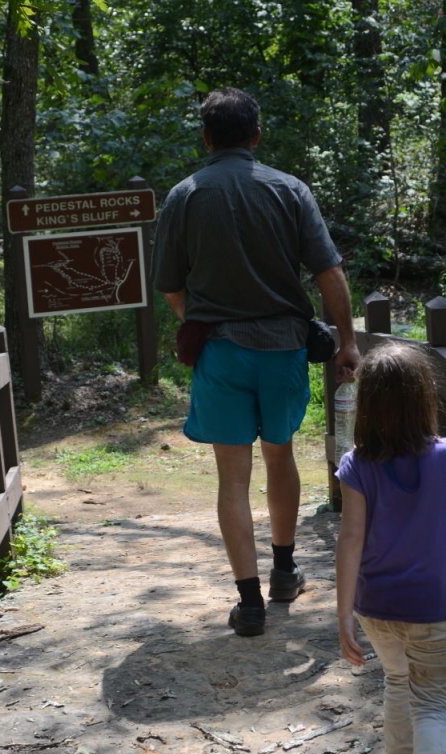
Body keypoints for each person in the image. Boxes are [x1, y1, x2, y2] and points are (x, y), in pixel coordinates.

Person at [152, 87, 359, 637]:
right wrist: (346, 341)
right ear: (257, 135)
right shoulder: (289, 190)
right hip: (285, 347)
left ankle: (248, 605)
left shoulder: (185, 195)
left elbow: (171, 287)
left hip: (221, 350)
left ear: (206, 137)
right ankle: (285, 572)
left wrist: (196, 320)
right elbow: (329, 273)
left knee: (232, 476)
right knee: (281, 455)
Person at [336, 342, 446, 754]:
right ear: (425, 398)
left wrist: (344, 614)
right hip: (434, 607)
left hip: (376, 607)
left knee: (398, 682)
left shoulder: (357, 464)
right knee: (434, 701)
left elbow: (350, 540)